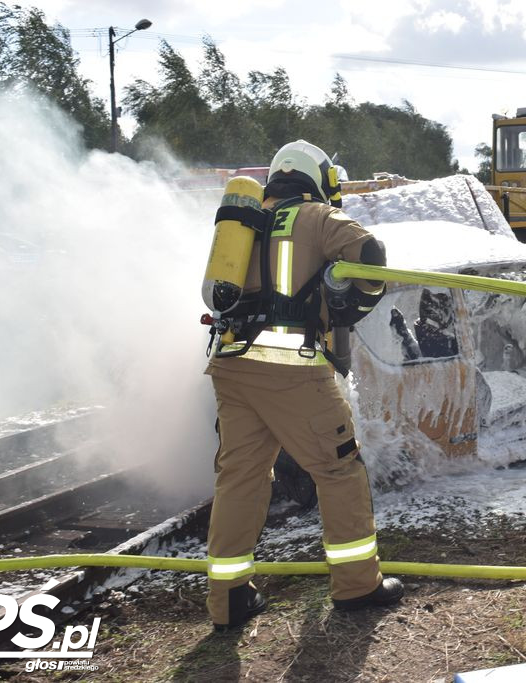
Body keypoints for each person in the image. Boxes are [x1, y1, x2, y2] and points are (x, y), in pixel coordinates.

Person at [203, 140, 403, 631]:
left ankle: (228, 599)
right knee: (339, 470)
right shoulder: (316, 217)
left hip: (231, 364)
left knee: (241, 479)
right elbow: (371, 255)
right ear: (317, 180)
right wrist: (351, 307)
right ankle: (358, 586)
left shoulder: (245, 224)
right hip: (291, 366)